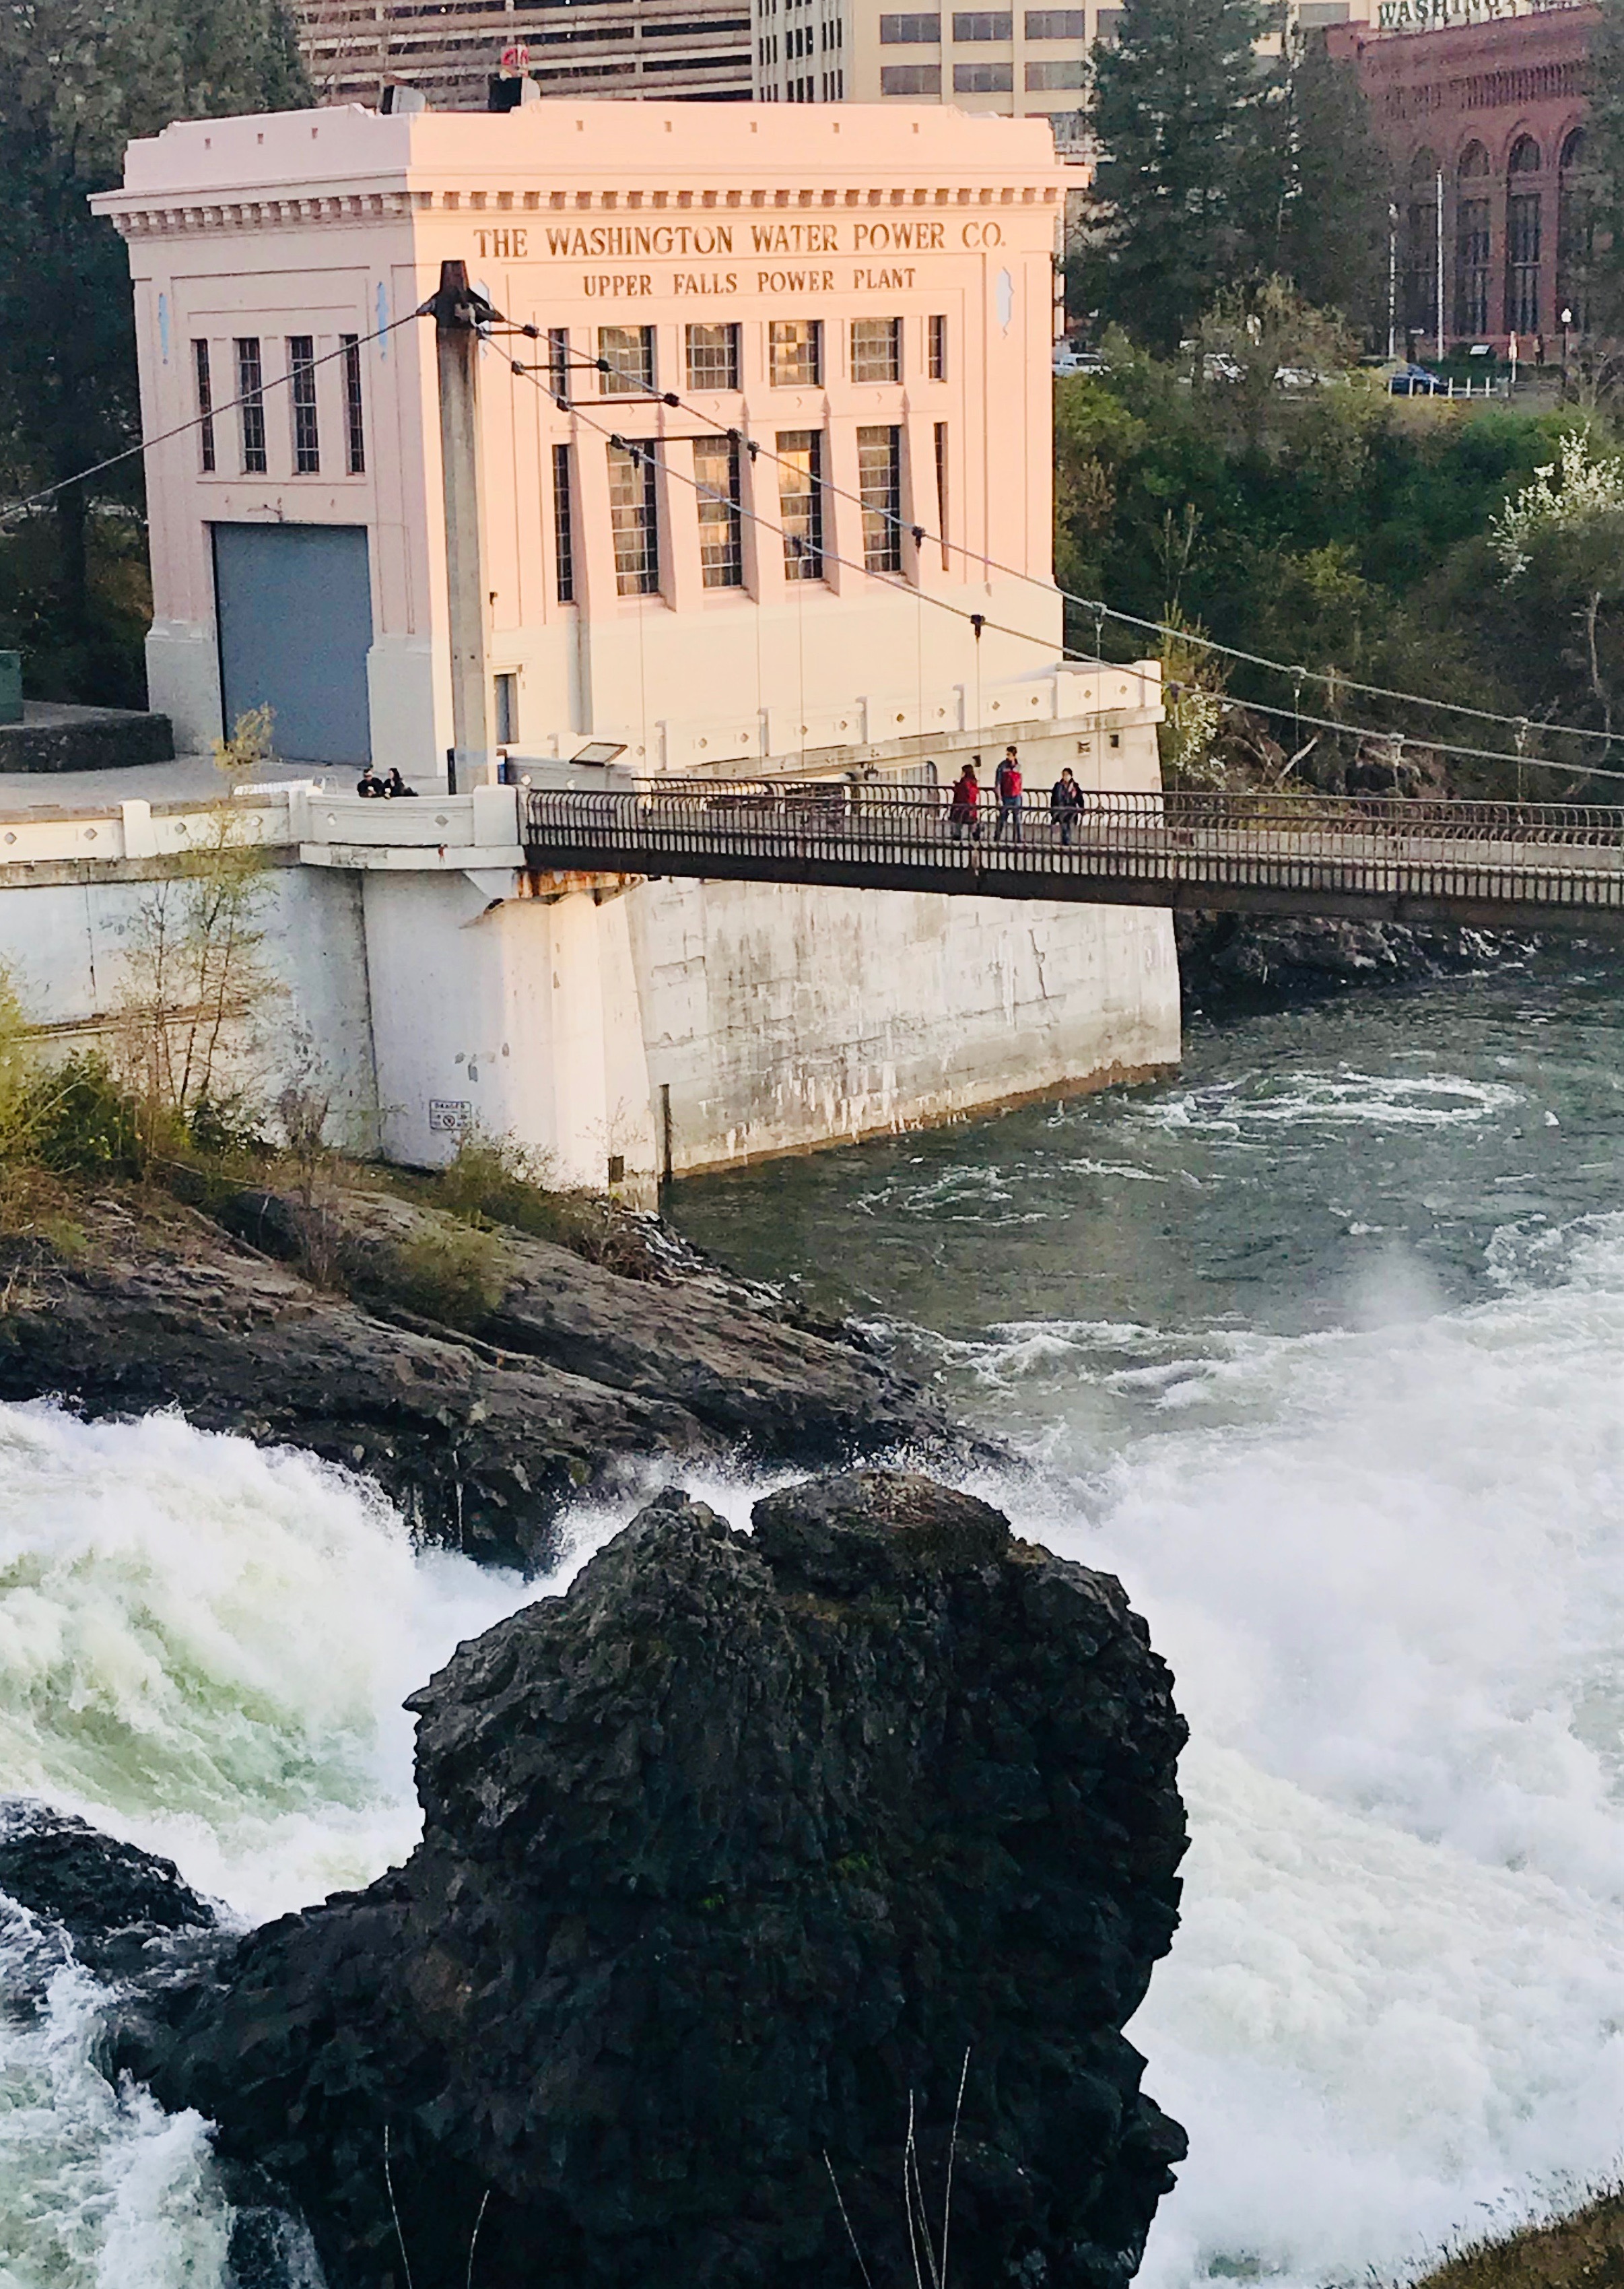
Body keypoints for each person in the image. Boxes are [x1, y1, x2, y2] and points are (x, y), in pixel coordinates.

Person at [1050, 765, 1086, 847]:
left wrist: (1082, 810)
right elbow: (1054, 799)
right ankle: (1066, 842)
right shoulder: (1058, 786)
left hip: (1071, 810)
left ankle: (1067, 842)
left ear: (1071, 776)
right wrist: (1053, 811)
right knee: (1064, 826)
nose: (1065, 777)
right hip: (1061, 809)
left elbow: (1080, 799)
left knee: (1069, 825)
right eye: (1064, 775)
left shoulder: (1075, 787)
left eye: (1067, 775)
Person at [994, 747, 1023, 842]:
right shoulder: (1002, 766)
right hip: (1006, 796)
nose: (1007, 756)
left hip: (1016, 795)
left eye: (1009, 754)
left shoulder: (1018, 766)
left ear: (1014, 755)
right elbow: (998, 783)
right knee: (1002, 818)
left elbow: (1020, 781)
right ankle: (997, 838)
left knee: (1018, 818)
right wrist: (999, 798)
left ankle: (1019, 839)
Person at [949, 760, 981, 841]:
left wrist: (956, 785)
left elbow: (961, 791)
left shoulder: (965, 782)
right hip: (971, 805)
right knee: (971, 821)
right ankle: (975, 833)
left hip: (962, 804)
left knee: (959, 820)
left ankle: (957, 835)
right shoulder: (973, 782)